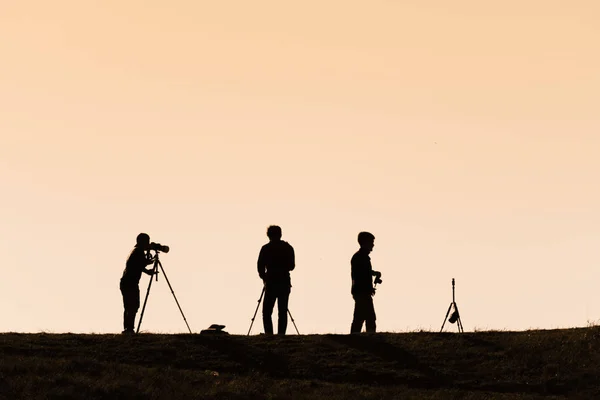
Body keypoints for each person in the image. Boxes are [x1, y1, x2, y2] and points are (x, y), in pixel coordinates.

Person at [257, 225, 295, 335]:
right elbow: (291, 266)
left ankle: (269, 334)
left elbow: (260, 267)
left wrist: (265, 277)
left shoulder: (265, 249)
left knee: (267, 312)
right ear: (280, 234)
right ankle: (281, 335)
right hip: (284, 282)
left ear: (268, 235)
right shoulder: (288, 247)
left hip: (271, 283)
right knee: (282, 311)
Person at [119, 233, 157, 334]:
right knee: (132, 305)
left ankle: (128, 328)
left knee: (130, 305)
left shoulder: (136, 251)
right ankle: (129, 329)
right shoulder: (138, 252)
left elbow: (137, 265)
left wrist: (147, 270)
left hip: (128, 282)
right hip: (130, 283)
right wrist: (149, 261)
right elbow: (140, 263)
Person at [350, 231, 382, 333]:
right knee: (368, 318)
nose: (373, 244)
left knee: (361, 318)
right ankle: (367, 339)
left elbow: (363, 273)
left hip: (360, 292)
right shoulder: (361, 257)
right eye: (371, 242)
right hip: (362, 292)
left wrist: (374, 273)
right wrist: (368, 288)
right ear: (365, 242)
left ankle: (356, 338)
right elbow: (361, 275)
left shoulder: (360, 257)